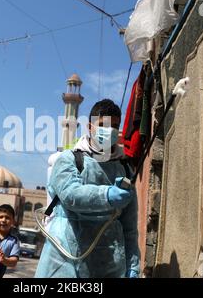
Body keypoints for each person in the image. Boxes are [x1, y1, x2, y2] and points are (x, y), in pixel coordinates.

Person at [35, 99, 140, 278]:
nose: (110, 131)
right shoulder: (69, 159)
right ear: (90, 126)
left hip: (109, 263)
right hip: (64, 259)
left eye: (115, 126)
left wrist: (133, 265)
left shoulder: (124, 168)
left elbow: (129, 227)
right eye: (103, 125)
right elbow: (70, 194)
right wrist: (106, 194)